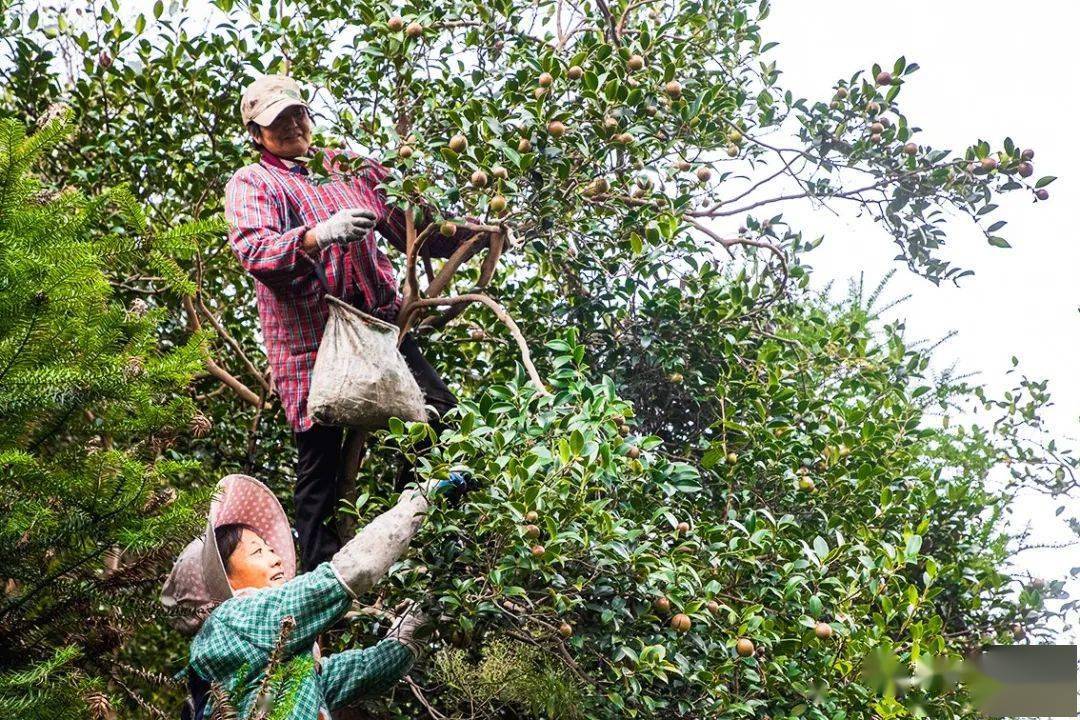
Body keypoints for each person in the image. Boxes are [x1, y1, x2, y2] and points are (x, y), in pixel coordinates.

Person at [225, 74, 478, 572]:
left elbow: (417, 223)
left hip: (374, 325)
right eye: (279, 121)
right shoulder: (254, 182)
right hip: (312, 340)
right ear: (257, 134)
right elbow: (254, 251)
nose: (294, 125)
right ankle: (321, 578)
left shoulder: (348, 167)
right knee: (320, 462)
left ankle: (408, 534)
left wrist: (476, 233)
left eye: (298, 113)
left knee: (438, 415)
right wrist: (316, 235)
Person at [161, 473, 463, 720]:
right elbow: (348, 573)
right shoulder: (233, 619)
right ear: (226, 582)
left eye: (269, 548)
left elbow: (370, 669)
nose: (276, 558)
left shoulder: (290, 669)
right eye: (257, 552)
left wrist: (432, 603)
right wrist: (419, 503)